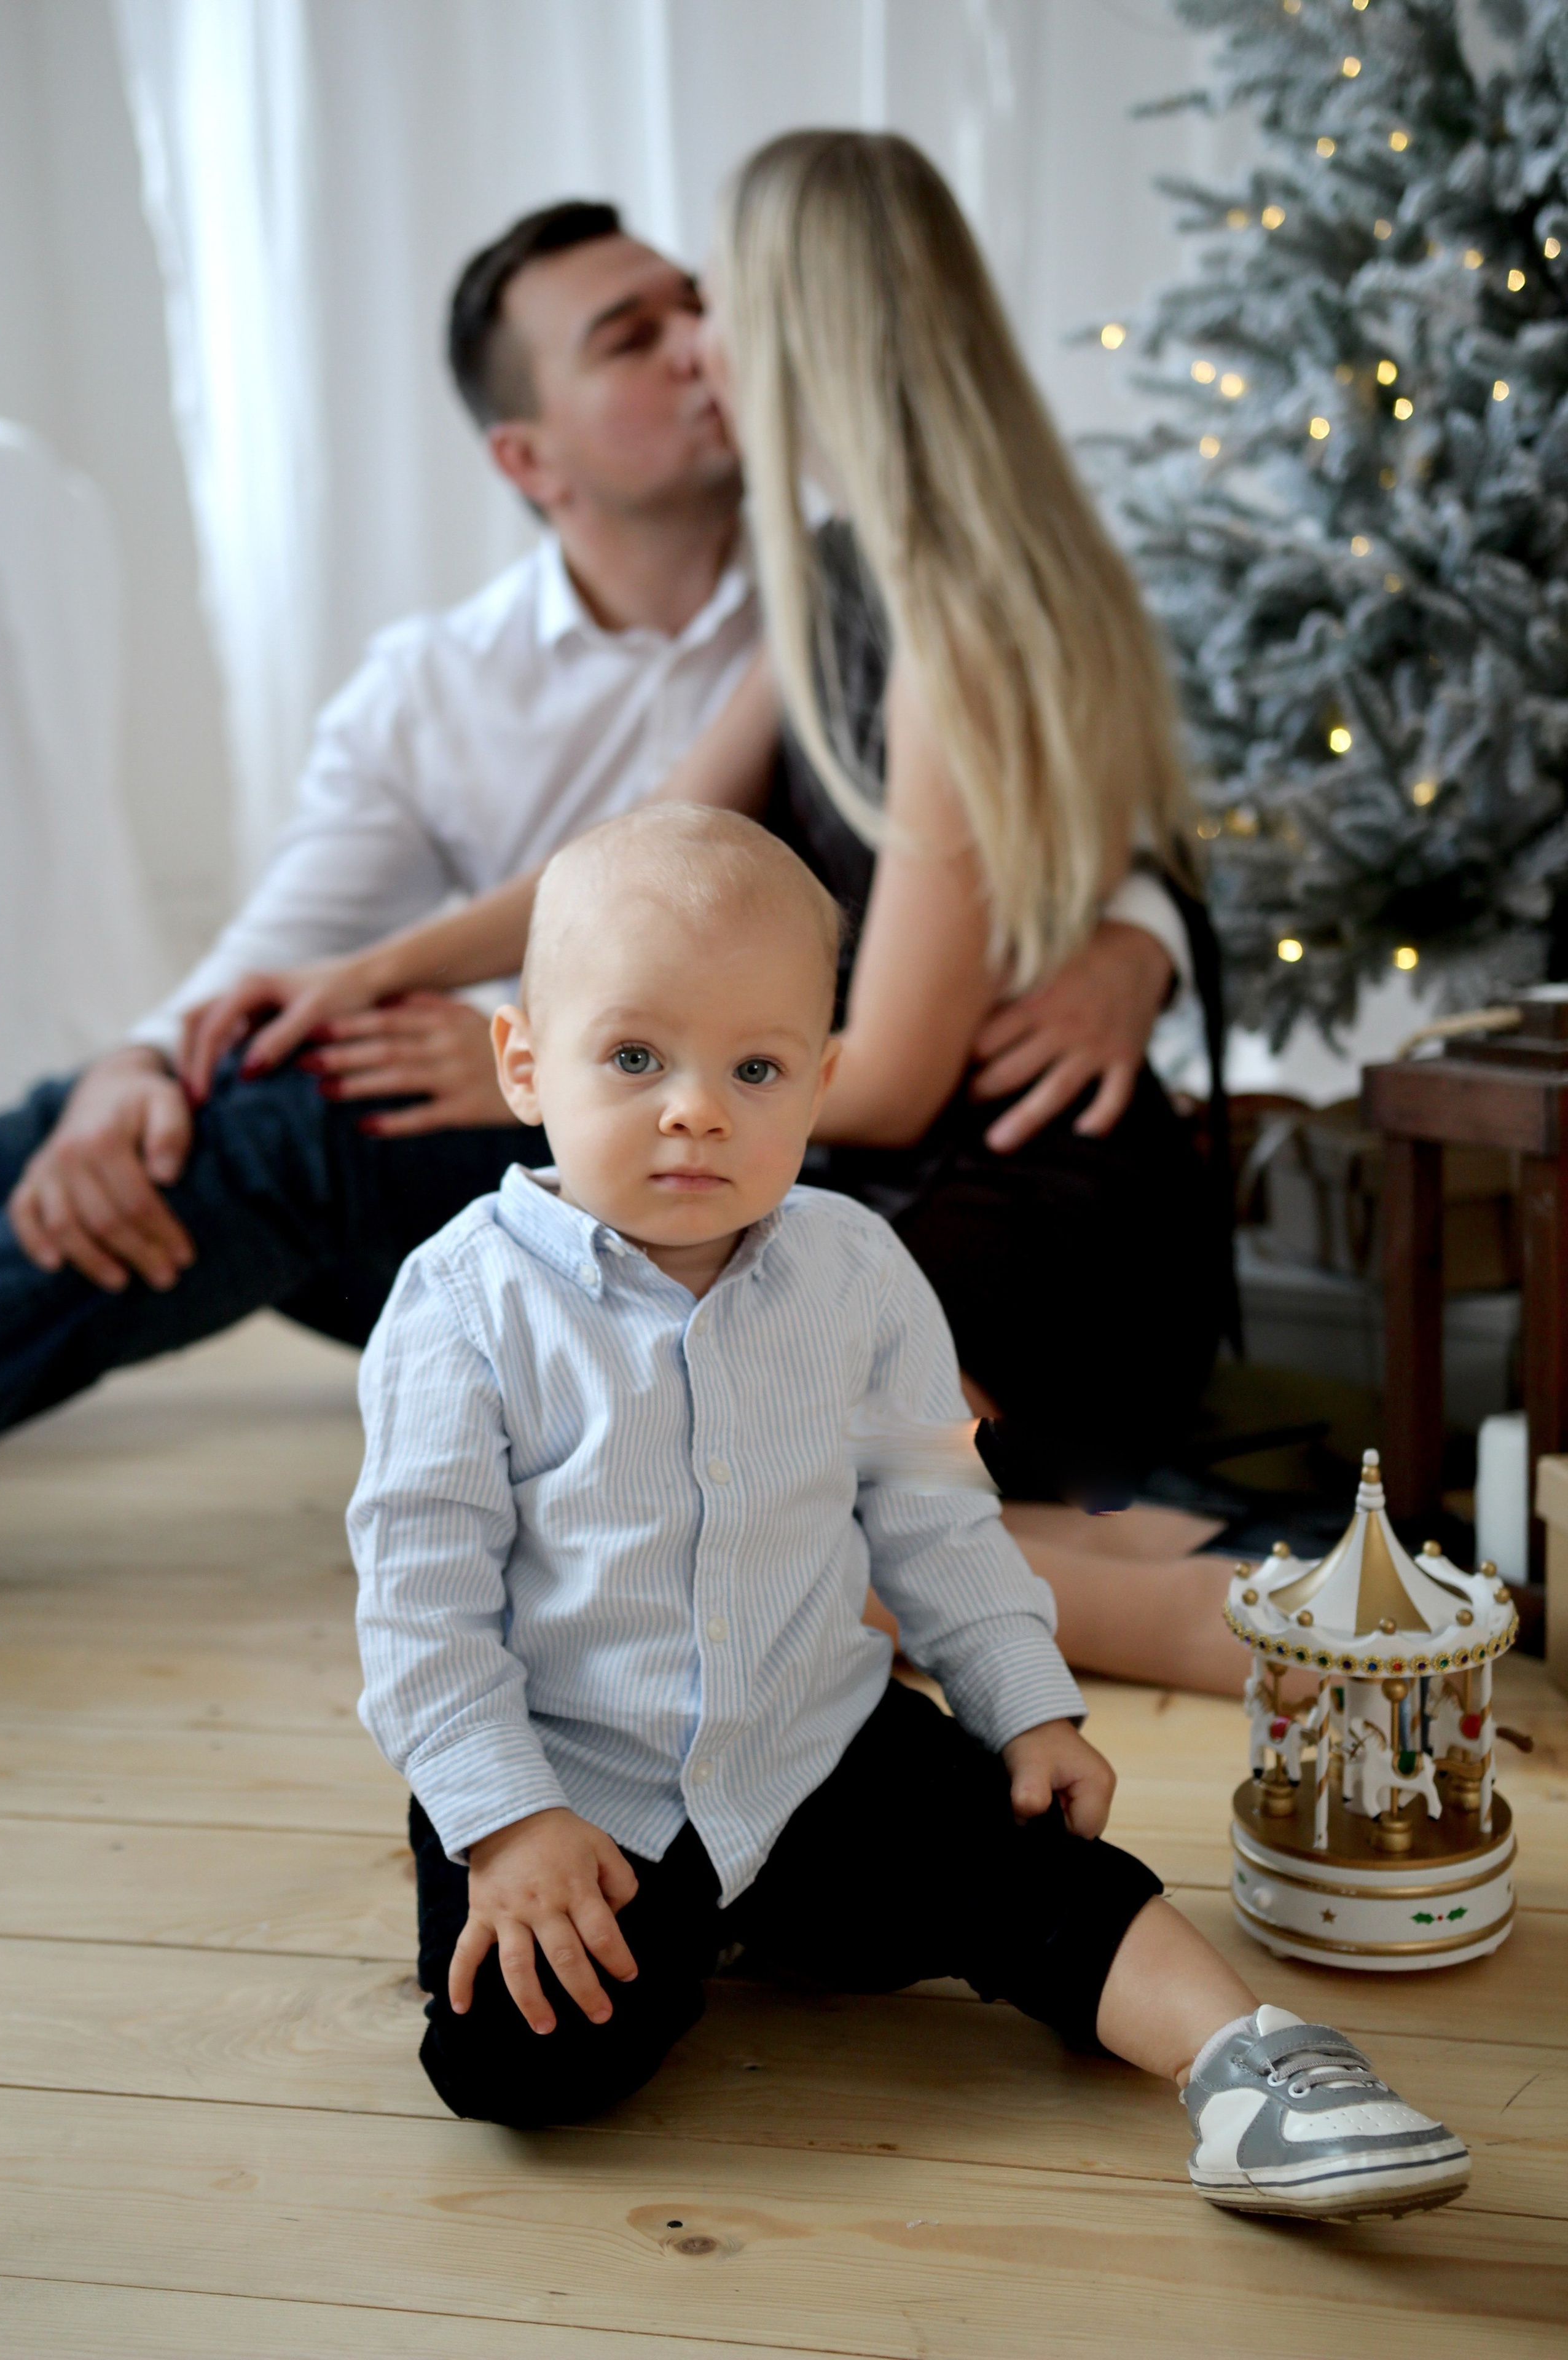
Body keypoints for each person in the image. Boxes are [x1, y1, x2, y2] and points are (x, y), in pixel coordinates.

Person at [178, 140, 1249, 1691]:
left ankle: (1239, 1622)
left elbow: (874, 1075)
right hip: (901, 1166)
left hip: (1025, 1200)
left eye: (714, 312)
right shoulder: (831, 579)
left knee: (746, 1529)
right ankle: (1184, 1561)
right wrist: (377, 967)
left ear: (800, 337)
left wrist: (560, 1077)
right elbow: (635, 852)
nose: (696, 353)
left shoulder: (953, 623)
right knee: (714, 1474)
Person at [351, 803, 1468, 2222]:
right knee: (516, 2070)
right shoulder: (461, 1307)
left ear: (819, 1083)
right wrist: (502, 1821)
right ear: (522, 1061)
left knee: (1039, 1874)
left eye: (753, 1067)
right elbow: (421, 1608)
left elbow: (937, 1517)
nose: (694, 1107)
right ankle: (706, 1921)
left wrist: (1026, 1704)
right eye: (633, 1057)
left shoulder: (859, 1273)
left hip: (813, 1735)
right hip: (577, 1772)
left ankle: (1255, 2068)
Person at [0, 195, 1183, 1446]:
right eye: (632, 336)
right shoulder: (438, 688)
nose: (692, 347)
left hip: (781, 1146)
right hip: (644, 1127)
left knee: (301, 1124)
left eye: (702, 309)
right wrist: (135, 1065)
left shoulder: (874, 595)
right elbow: (290, 958)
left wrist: (1137, 940)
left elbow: (1083, 802)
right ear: (530, 459)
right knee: (217, 1080)